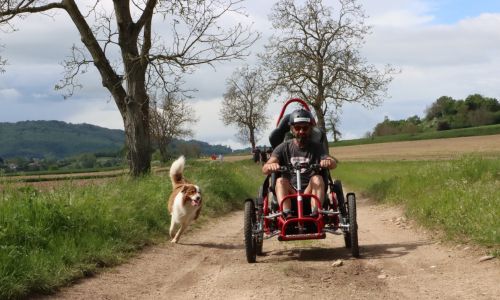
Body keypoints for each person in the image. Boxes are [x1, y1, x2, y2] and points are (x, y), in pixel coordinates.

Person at [262, 109, 337, 217]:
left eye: (305, 128)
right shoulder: (283, 147)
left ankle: (316, 213)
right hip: (290, 193)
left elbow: (333, 163)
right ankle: (286, 214)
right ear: (292, 129)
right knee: (280, 181)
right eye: (297, 128)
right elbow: (265, 168)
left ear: (310, 129)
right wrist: (271, 165)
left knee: (317, 178)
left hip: (310, 192)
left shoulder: (317, 147)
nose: (301, 131)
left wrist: (328, 162)